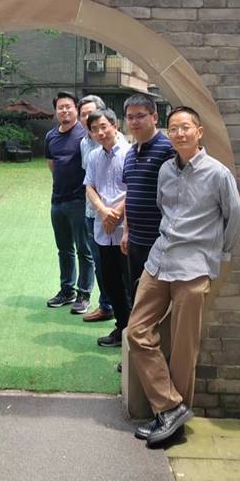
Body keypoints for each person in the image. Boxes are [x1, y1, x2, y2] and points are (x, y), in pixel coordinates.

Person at [128, 107, 240, 448]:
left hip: (193, 268)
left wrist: (215, 256)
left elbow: (236, 221)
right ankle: (170, 407)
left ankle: (171, 421)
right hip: (159, 261)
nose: (179, 134)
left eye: (185, 128)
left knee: (183, 348)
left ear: (199, 131)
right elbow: (163, 209)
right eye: (173, 128)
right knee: (137, 331)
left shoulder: (218, 174)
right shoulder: (166, 169)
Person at [84, 108, 131, 348]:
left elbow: (134, 187)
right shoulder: (94, 156)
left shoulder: (130, 153)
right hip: (103, 226)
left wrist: (117, 213)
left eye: (104, 127)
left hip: (126, 228)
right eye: (94, 129)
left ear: (115, 125)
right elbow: (90, 186)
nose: (100, 133)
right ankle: (121, 327)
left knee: (130, 282)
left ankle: (134, 333)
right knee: (110, 281)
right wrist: (103, 211)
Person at [121, 93, 174, 299]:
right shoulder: (130, 153)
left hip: (159, 241)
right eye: (130, 117)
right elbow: (130, 194)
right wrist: (126, 231)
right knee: (135, 294)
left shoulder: (168, 150)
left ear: (154, 117)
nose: (134, 121)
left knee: (155, 299)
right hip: (135, 240)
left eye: (140, 116)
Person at [44, 91, 94, 314]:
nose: (64, 110)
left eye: (68, 107)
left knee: (84, 250)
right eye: (60, 107)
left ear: (76, 110)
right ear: (56, 111)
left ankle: (84, 293)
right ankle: (67, 290)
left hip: (79, 201)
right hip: (57, 200)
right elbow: (52, 164)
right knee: (64, 249)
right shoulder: (51, 136)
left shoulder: (85, 134)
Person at [77, 94, 114, 324]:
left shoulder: (119, 144)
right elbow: (89, 181)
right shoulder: (84, 143)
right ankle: (106, 305)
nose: (87, 118)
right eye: (83, 115)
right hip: (92, 213)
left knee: (116, 265)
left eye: (91, 113)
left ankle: (122, 310)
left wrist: (109, 211)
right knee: (99, 262)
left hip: (116, 215)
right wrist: (97, 208)